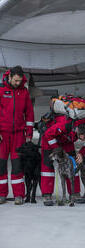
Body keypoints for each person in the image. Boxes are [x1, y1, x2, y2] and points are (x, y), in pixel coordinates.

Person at [0, 66, 34, 205]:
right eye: (15, 81)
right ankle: (2, 194)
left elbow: (29, 113)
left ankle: (19, 195)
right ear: (9, 77)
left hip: (19, 135)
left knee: (17, 165)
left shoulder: (24, 91)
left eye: (19, 81)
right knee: (1, 165)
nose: (17, 83)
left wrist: (29, 133)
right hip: (2, 135)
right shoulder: (1, 89)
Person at [41, 118, 85, 206]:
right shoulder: (64, 126)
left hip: (67, 142)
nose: (83, 141)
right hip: (50, 141)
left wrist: (81, 153)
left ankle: (75, 192)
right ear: (78, 132)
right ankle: (47, 194)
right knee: (47, 168)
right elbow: (48, 134)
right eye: (82, 138)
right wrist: (57, 150)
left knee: (74, 164)